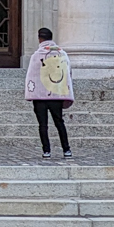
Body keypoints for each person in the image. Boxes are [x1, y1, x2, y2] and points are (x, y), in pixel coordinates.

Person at [25, 28, 74, 158]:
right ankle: (66, 149)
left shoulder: (36, 55)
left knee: (43, 124)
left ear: (39, 38)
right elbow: (68, 72)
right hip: (56, 94)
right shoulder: (61, 53)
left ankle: (46, 151)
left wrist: (31, 92)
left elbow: (32, 75)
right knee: (59, 122)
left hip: (39, 96)